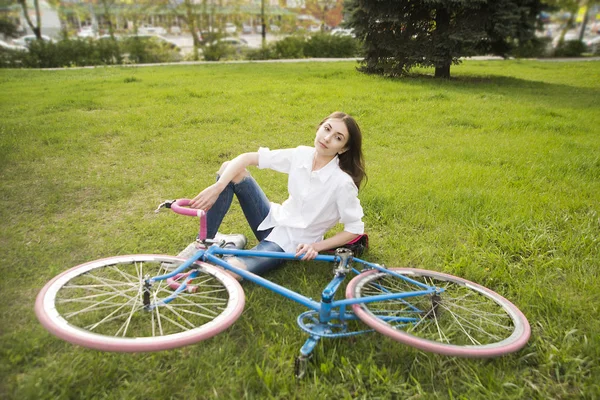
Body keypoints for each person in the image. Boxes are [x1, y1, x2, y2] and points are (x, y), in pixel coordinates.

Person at [180, 111, 366, 277]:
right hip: (272, 219)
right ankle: (203, 243)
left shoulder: (342, 183)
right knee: (229, 168)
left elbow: (354, 228)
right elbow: (248, 158)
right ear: (319, 128)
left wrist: (315, 247)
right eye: (326, 129)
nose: (327, 138)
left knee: (230, 272)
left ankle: (228, 246)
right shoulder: (302, 154)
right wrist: (218, 186)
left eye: (338, 138)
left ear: (343, 149)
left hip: (291, 244)